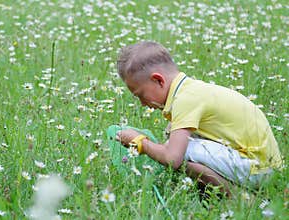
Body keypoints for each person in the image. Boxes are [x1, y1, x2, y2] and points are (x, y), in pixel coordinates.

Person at [113, 41, 283, 196]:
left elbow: (173, 158)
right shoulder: (191, 90)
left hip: (259, 169)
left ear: (158, 80)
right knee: (176, 139)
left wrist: (140, 142)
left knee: (180, 152)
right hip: (260, 165)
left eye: (140, 95)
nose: (142, 104)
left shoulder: (185, 99)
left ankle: (243, 200)